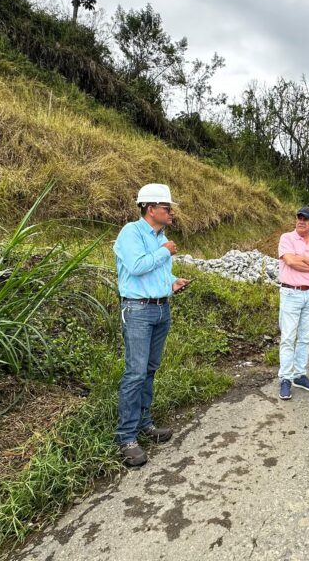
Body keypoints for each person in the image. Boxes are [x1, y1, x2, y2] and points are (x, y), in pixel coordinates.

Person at [113, 184, 190, 467]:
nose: (171, 212)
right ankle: (126, 436)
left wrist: (172, 283)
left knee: (149, 369)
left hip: (160, 309)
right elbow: (135, 266)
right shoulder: (130, 233)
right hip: (137, 311)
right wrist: (165, 252)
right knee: (135, 373)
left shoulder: (161, 237)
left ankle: (144, 423)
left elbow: (155, 274)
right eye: (167, 208)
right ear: (150, 208)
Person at [277, 206, 309, 401]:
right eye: (299, 217)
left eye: (305, 218)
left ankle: (299, 374)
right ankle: (285, 378)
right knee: (288, 337)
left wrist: (304, 260)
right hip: (291, 292)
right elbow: (290, 261)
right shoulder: (286, 238)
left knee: (306, 337)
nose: (300, 220)